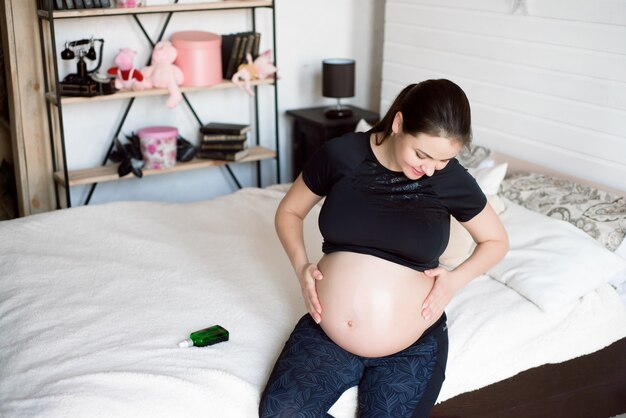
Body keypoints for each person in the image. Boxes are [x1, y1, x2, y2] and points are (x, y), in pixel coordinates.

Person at [259, 79, 509, 417]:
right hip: (328, 334)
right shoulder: (341, 155)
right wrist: (301, 266)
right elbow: (289, 211)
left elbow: (495, 241)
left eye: (442, 160)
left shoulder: (449, 179)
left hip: (411, 346)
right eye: (422, 154)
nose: (429, 169)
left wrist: (454, 279)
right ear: (398, 124)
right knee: (281, 412)